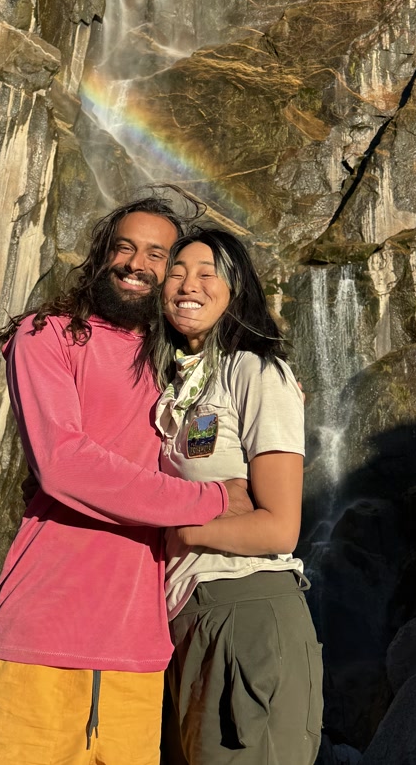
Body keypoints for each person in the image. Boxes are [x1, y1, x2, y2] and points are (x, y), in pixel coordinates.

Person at [0, 195, 254, 765]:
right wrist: (214, 500)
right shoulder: (47, 336)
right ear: (101, 255)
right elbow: (64, 465)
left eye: (156, 254)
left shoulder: (185, 366)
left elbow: (221, 433)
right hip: (43, 633)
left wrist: (268, 385)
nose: (135, 263)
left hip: (140, 648)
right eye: (123, 247)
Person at [151, 228, 323, 765]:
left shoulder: (255, 371)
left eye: (208, 273)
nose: (188, 284)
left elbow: (279, 528)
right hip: (184, 619)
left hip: (246, 607)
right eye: (177, 271)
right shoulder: (174, 386)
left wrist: (181, 525)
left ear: (236, 289)